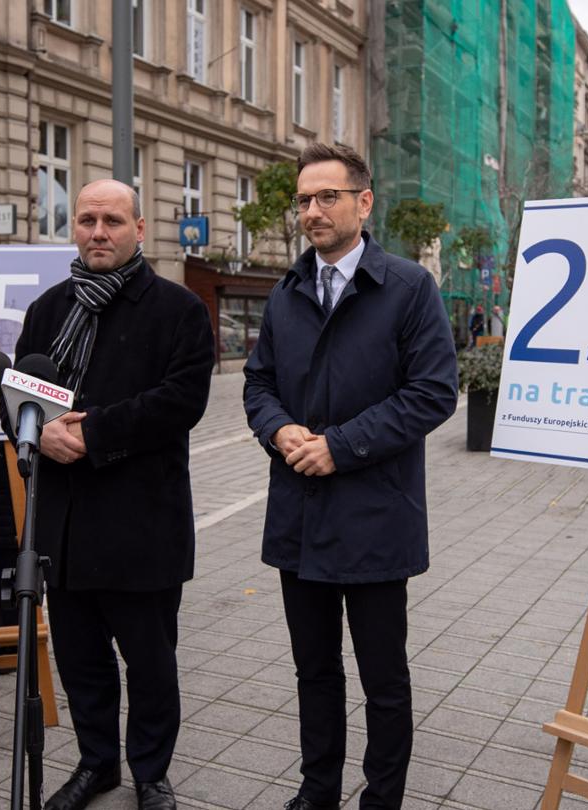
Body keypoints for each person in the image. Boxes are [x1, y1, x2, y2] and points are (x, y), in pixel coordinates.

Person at [243, 143, 459, 810]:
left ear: (364, 203)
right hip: (299, 519)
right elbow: (258, 385)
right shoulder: (286, 293)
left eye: (327, 197)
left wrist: (341, 446)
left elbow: (433, 392)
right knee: (315, 671)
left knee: (383, 678)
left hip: (374, 518)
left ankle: (382, 799)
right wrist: (277, 429)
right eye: (304, 199)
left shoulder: (408, 288)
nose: (312, 211)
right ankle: (318, 791)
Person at [19, 180, 214, 810]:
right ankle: (96, 764)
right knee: (80, 662)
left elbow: (182, 401)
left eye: (111, 220)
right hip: (65, 522)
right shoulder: (48, 310)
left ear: (139, 229)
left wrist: (93, 432)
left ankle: (150, 774)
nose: (97, 231)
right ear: (73, 228)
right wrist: (40, 434)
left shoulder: (177, 309)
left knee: (151, 664)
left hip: (140, 521)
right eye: (86, 220)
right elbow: (19, 393)